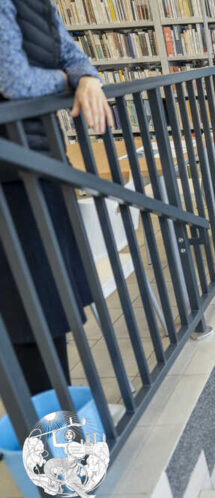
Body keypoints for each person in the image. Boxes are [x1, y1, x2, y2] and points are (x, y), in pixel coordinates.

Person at [0, 0, 113, 395]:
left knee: (48, 311)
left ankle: (54, 439)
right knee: (27, 316)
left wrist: (85, 77)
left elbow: (73, 54)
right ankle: (48, 444)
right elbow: (13, 80)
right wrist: (71, 81)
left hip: (40, 165)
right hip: (13, 176)